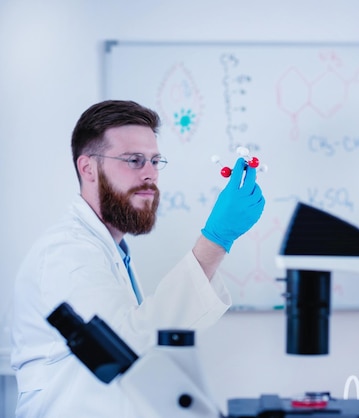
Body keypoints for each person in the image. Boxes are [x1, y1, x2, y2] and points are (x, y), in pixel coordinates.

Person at [10, 100, 265, 417]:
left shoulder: (111, 252)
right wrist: (216, 240)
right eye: (134, 160)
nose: (150, 175)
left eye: (155, 161)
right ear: (88, 168)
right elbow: (127, 347)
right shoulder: (67, 253)